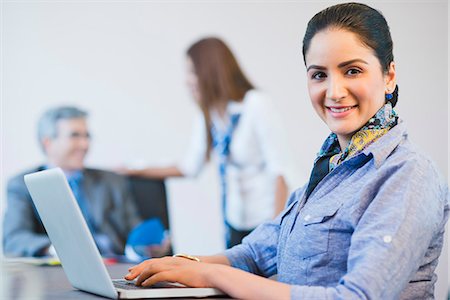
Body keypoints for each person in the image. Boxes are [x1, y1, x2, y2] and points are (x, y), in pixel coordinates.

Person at [123, 3, 449, 299]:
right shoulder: (329, 171)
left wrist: (211, 273)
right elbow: (254, 253)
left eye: (352, 70)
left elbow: (355, 297)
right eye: (319, 75)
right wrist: (177, 264)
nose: (334, 92)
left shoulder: (408, 173)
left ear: (389, 76)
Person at [123, 37, 294, 248]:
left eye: (192, 72)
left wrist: (275, 231)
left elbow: (280, 171)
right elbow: (189, 167)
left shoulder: (256, 104)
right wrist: (134, 169)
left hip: (265, 218)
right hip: (235, 221)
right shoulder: (210, 113)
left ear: (210, 70)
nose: (187, 80)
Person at [2, 106, 144, 258]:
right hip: (59, 271)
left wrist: (150, 245)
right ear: (48, 142)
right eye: (74, 136)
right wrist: (59, 250)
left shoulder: (112, 181)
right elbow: (14, 239)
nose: (84, 145)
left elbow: (137, 231)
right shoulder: (22, 185)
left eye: (86, 136)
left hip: (114, 265)